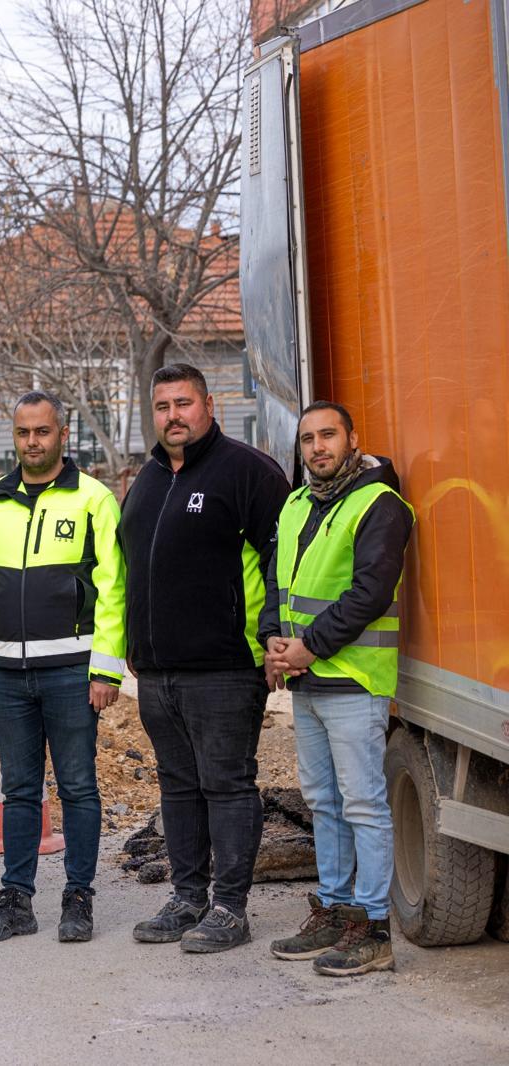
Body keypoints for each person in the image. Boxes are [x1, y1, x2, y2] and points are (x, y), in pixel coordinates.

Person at [118, 363, 290, 952]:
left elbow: (281, 562)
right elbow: (131, 569)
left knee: (227, 785)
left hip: (224, 667)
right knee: (178, 787)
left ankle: (229, 909)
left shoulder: (247, 473)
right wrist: (133, 645)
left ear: (209, 405)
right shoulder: (146, 480)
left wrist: (274, 636)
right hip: (158, 672)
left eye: (183, 403)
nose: (173, 416)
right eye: (163, 406)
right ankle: (187, 897)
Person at [0, 391, 127, 944]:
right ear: (15, 437)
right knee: (20, 788)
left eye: (42, 432)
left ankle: (79, 898)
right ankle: (16, 901)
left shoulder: (94, 499)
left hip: (72, 671)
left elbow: (113, 590)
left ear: (62, 434)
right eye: (23, 433)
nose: (33, 442)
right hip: (5, 672)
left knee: (78, 786)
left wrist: (106, 671)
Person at [261, 401, 412, 976]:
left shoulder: (380, 504)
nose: (317, 447)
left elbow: (370, 591)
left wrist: (310, 647)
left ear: (353, 439)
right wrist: (273, 638)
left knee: (365, 805)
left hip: (352, 678)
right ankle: (335, 909)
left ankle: (373, 928)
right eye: (307, 440)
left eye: (328, 435)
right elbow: (278, 579)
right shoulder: (297, 502)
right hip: (307, 678)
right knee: (324, 802)